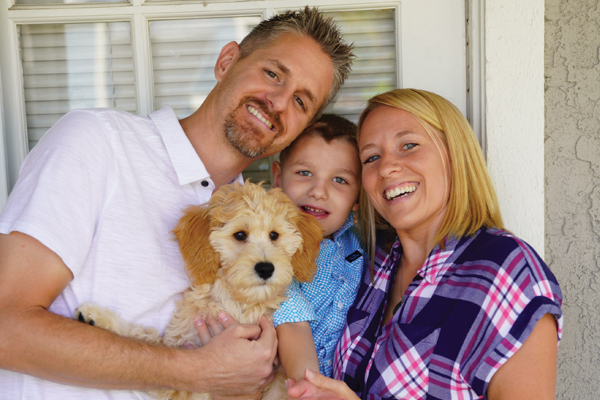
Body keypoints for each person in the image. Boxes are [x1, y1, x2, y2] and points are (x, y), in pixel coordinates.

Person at [0, 7, 354, 400]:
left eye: (302, 102)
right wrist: (198, 371)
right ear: (227, 61)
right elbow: (5, 328)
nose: (279, 102)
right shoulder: (97, 142)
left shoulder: (259, 215)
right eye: (273, 74)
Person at [287, 88, 563, 400]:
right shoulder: (367, 261)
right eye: (371, 157)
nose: (387, 167)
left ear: (454, 154)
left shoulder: (507, 271)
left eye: (408, 146)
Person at [270, 114, 364, 381]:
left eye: (340, 180)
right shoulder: (273, 247)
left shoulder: (359, 247)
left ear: (358, 197)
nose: (318, 191)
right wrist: (311, 389)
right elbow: (293, 324)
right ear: (278, 178)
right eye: (305, 173)